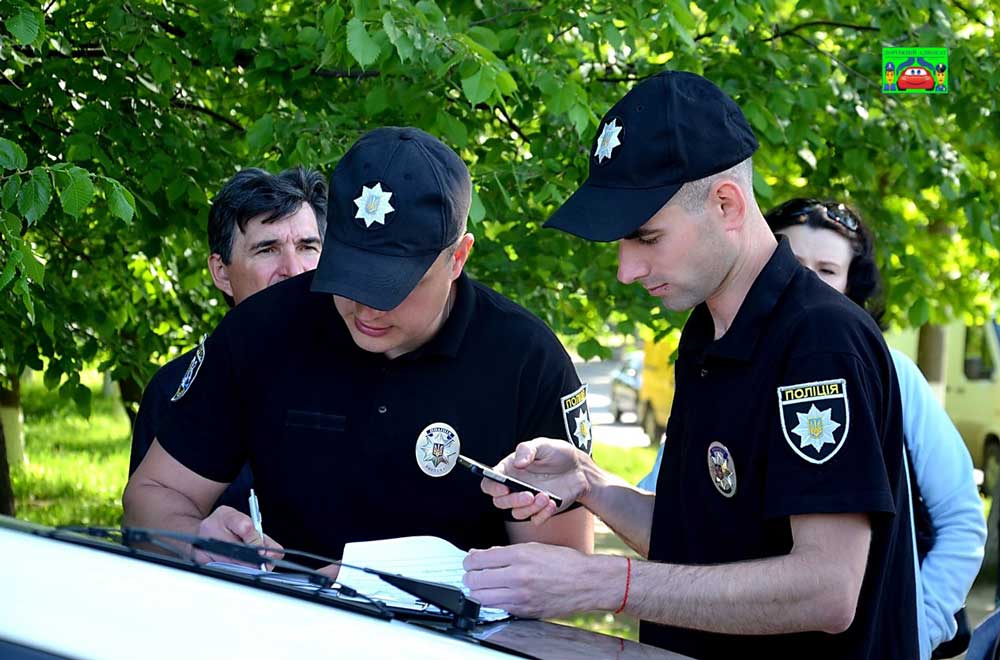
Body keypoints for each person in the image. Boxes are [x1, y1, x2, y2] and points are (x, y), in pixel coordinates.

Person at [462, 71, 918, 658]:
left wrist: (605, 582)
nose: (626, 269)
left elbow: (826, 590)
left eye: (647, 238)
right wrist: (591, 484)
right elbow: (704, 544)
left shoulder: (819, 342)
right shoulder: (709, 329)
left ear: (726, 203)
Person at [122, 127, 593, 565]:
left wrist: (412, 589)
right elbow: (154, 494)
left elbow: (563, 570)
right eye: (350, 276)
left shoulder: (526, 362)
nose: (367, 310)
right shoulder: (262, 329)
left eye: (394, 286)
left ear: (457, 258)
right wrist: (198, 541)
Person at [763, 197, 985, 659]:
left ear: (851, 286)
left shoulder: (894, 375)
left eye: (826, 270)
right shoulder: (724, 369)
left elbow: (961, 520)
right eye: (792, 262)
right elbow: (668, 501)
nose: (805, 281)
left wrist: (916, 629)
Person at [128, 166, 327, 514]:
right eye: (268, 250)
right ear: (222, 272)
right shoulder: (172, 391)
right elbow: (152, 534)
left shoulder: (373, 365)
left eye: (308, 247)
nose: (294, 271)